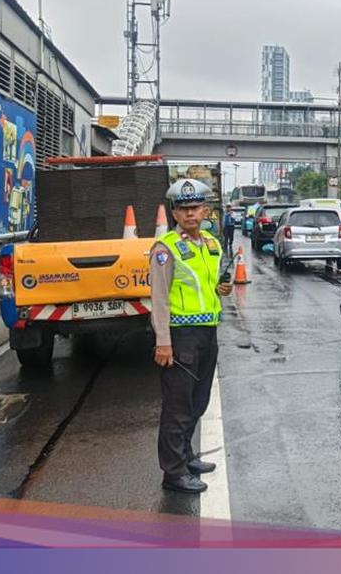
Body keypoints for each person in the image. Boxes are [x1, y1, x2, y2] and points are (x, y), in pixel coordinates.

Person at [150, 178, 233, 494]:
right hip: (180, 335)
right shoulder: (165, 248)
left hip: (207, 332)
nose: (190, 214)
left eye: (195, 207)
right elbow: (159, 297)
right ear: (174, 212)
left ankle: (186, 457)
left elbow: (206, 284)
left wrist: (220, 289)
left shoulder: (211, 244)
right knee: (177, 406)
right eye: (183, 209)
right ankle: (173, 473)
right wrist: (163, 341)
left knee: (198, 401)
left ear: (206, 210)